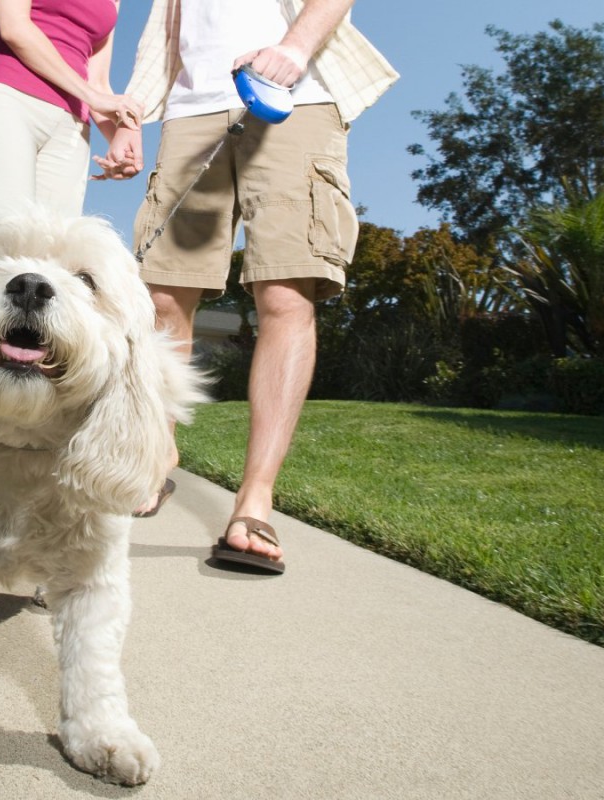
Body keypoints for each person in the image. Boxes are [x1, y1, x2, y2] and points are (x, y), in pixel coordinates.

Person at [97, 0, 398, 570]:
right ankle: (158, 456)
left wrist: (295, 48)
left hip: (293, 95)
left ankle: (255, 498)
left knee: (286, 292)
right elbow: (170, 30)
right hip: (190, 110)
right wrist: (131, 119)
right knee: (162, 294)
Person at [0, 0, 143, 220]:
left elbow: (97, 81)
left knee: (57, 243)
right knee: (4, 231)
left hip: (73, 121)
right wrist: (91, 97)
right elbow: (14, 27)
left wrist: (122, 142)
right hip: (10, 97)